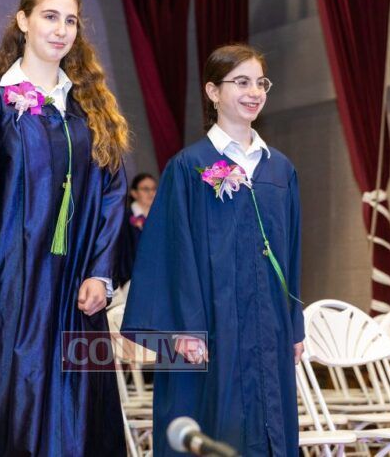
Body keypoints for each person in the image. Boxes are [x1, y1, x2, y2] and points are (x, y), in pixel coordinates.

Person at [0, 0, 129, 456]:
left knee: (80, 414)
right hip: (10, 290)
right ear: (23, 21)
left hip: (76, 292)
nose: (61, 30)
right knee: (12, 409)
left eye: (71, 21)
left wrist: (100, 273)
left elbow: (112, 193)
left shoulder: (89, 111)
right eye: (49, 16)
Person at [122, 44, 305, 456]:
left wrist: (294, 325)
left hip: (269, 327)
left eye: (260, 83)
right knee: (211, 421)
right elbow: (170, 255)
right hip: (207, 327)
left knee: (270, 427)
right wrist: (184, 329)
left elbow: (292, 254)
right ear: (212, 91)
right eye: (241, 82)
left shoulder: (280, 170)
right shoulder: (189, 167)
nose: (254, 92)